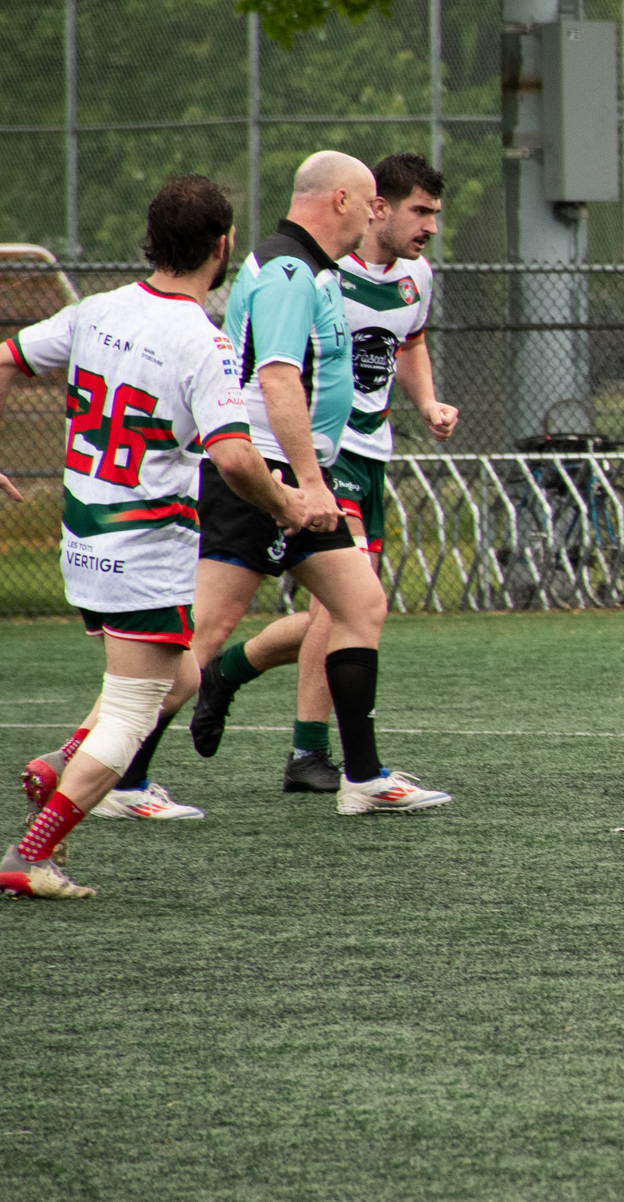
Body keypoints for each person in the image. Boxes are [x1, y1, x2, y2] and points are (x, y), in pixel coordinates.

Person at [0, 174, 315, 898]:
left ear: (152, 239)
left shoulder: (98, 310)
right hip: (143, 549)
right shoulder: (202, 340)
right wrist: (287, 504)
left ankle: (61, 761)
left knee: (183, 675)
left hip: (83, 537)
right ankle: (32, 854)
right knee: (132, 713)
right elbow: (235, 456)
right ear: (221, 245)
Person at [181, 151, 451, 815]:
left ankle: (347, 766)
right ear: (362, 205)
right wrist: (308, 476)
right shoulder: (301, 271)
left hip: (349, 461)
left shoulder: (408, 277)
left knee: (350, 606)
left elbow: (407, 346)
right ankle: (303, 751)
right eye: (417, 210)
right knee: (269, 618)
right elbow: (274, 372)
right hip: (286, 466)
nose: (428, 227)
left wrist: (426, 403)